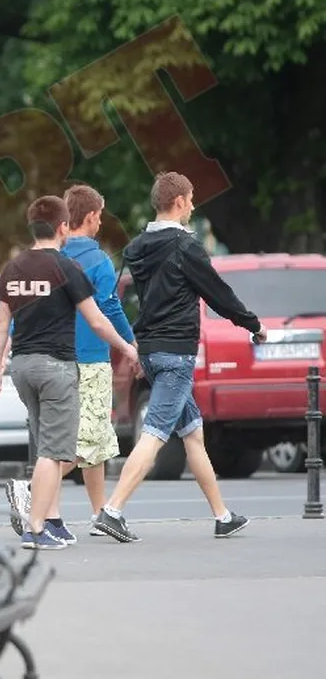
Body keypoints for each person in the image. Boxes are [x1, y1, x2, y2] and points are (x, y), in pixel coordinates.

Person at [94, 172, 266, 542]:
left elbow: (131, 298)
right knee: (155, 433)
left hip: (151, 350)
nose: (193, 206)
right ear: (178, 202)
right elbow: (218, 294)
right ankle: (112, 510)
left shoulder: (137, 247)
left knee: (193, 434)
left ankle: (222, 516)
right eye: (190, 199)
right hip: (176, 353)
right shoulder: (186, 247)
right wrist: (253, 325)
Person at [0, 195, 139, 550]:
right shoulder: (65, 267)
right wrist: (128, 347)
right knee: (54, 452)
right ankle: (35, 527)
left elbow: (1, 323)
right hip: (56, 368)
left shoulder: (13, 268)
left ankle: (51, 522)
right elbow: (97, 321)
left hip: (22, 368)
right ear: (62, 227)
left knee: (46, 445)